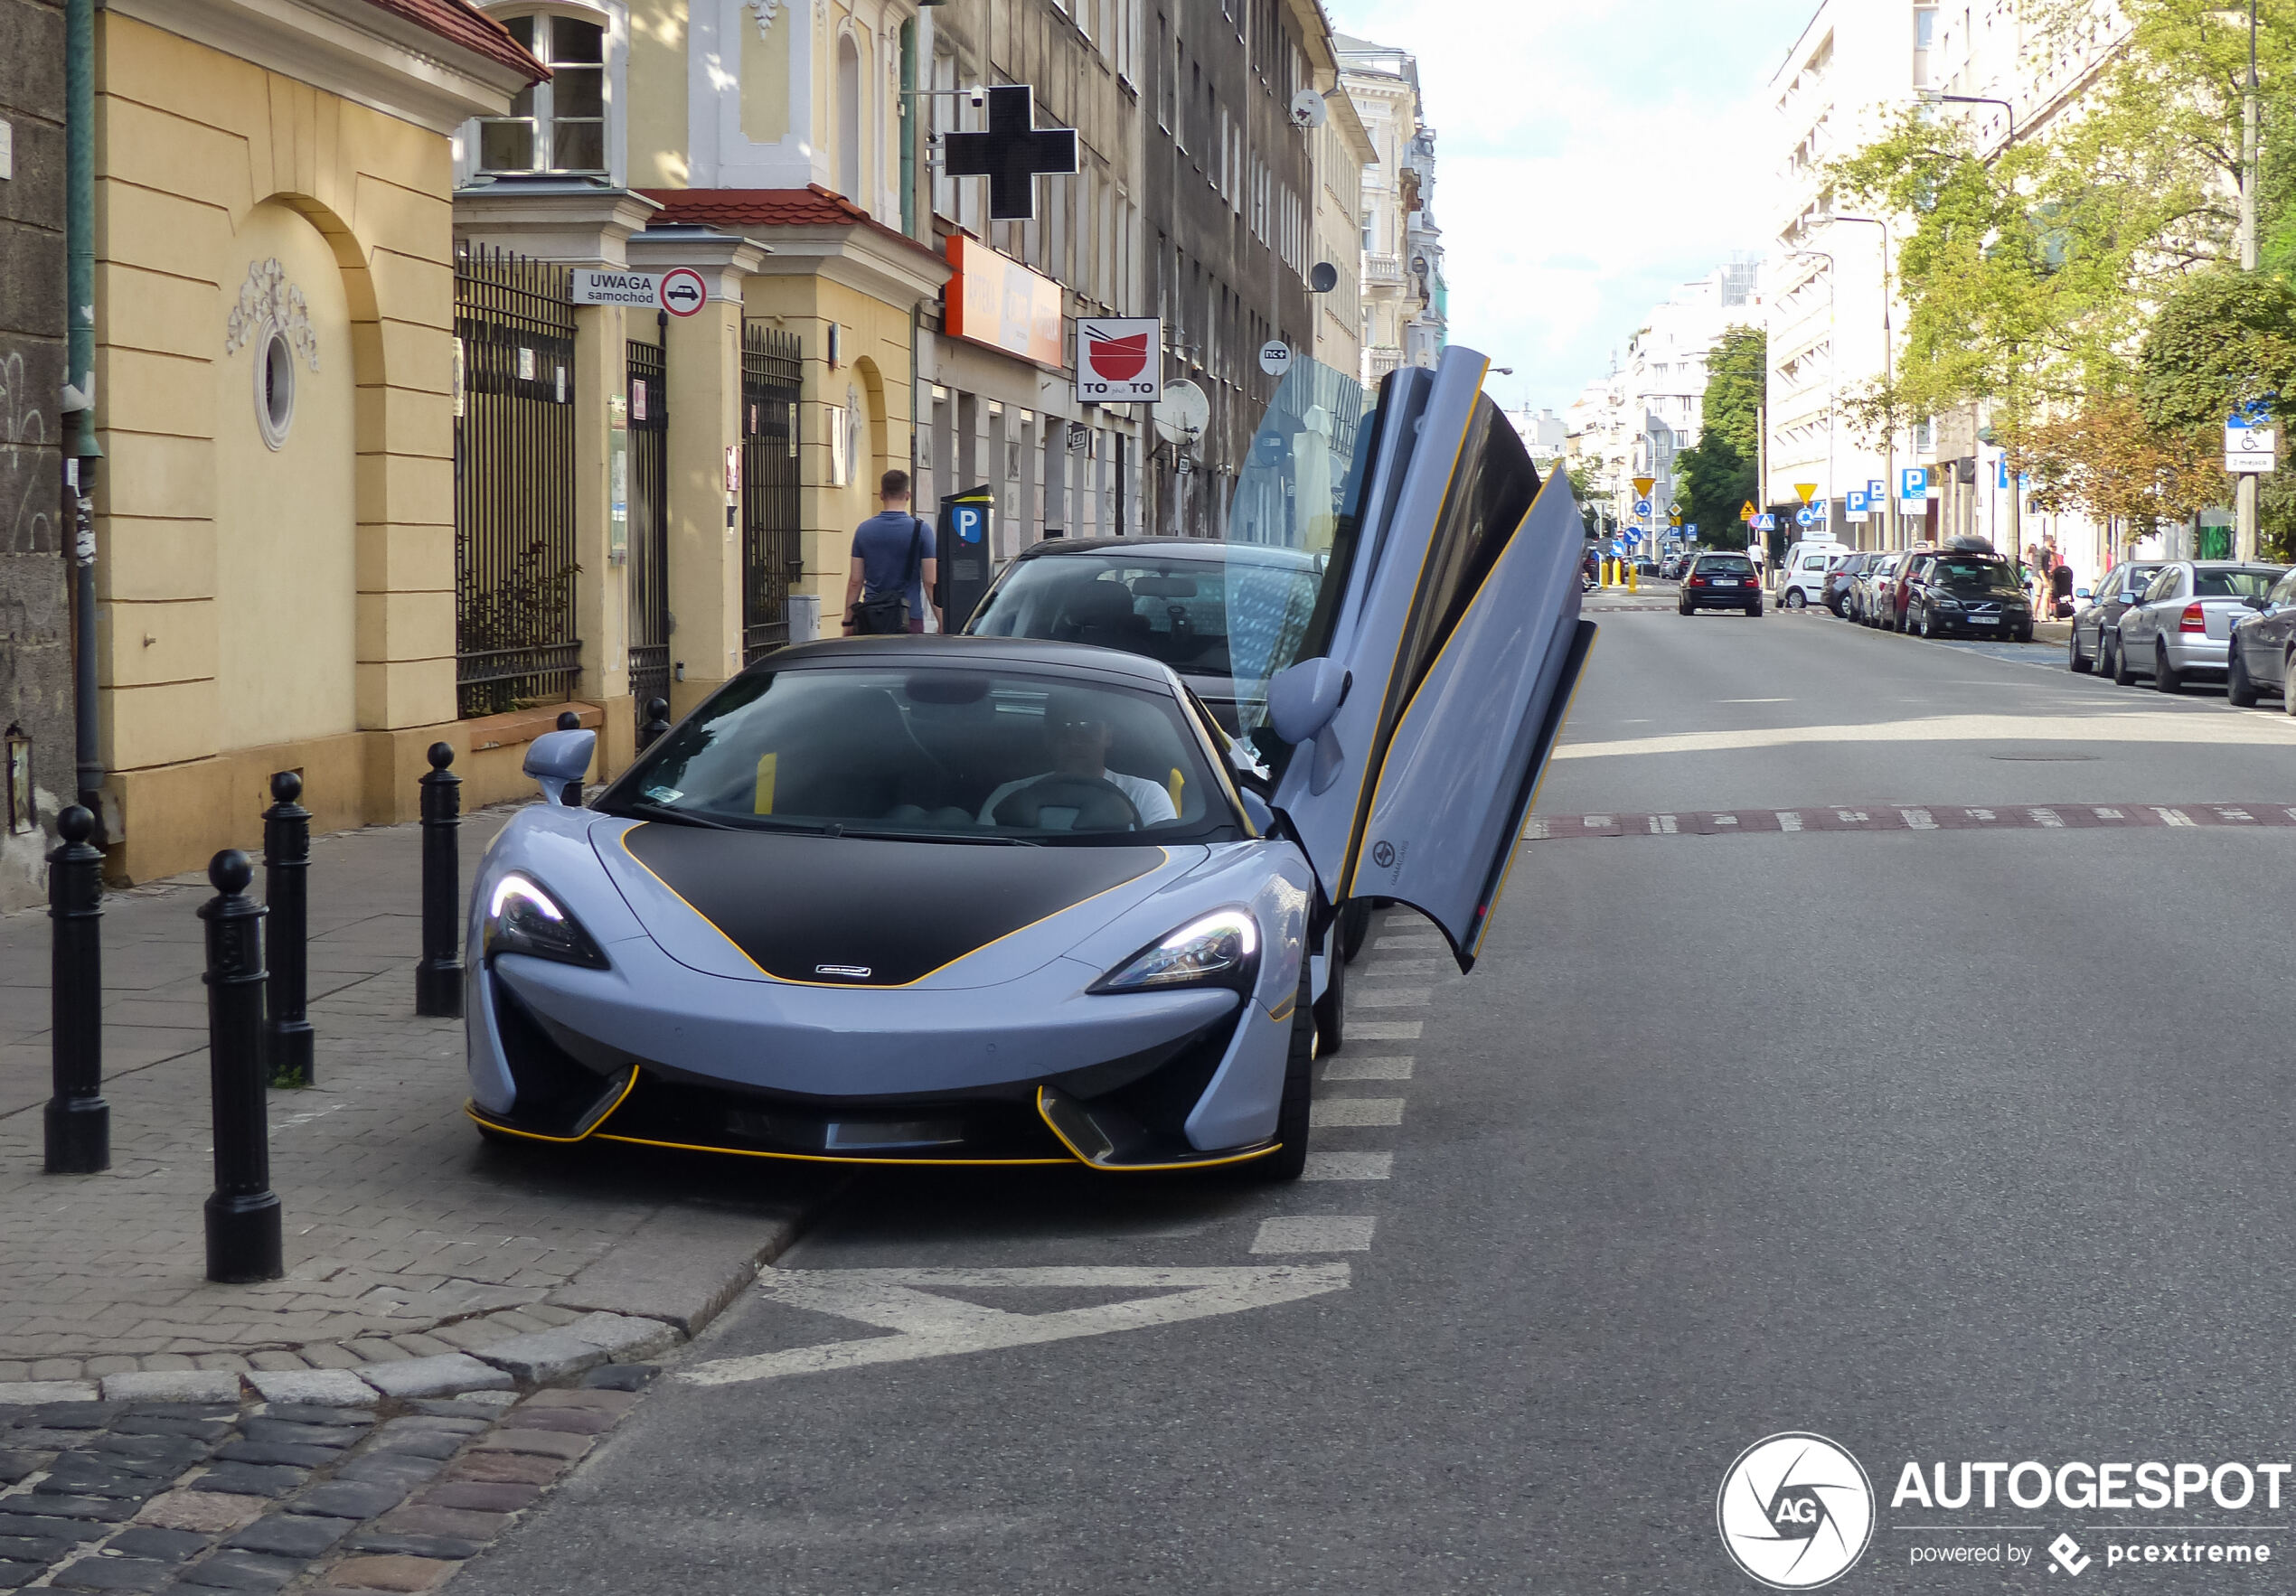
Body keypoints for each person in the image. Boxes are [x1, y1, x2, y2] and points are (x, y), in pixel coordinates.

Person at [978, 694, 1178, 830]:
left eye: (1088, 728)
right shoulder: (1007, 797)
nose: (1074, 740)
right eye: (1062, 729)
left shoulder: (1146, 795)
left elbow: (1166, 860)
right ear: (1047, 738)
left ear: (1107, 736)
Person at [844, 469, 939, 634]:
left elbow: (855, 581)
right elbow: (930, 582)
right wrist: (942, 620)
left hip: (872, 617)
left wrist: (848, 622)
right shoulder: (922, 530)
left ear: (881, 495)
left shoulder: (864, 530)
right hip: (909, 616)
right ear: (907, 495)